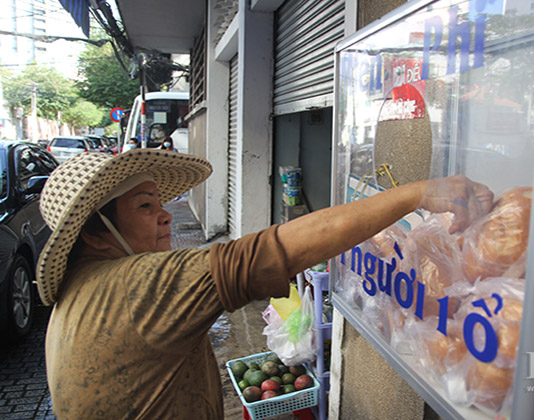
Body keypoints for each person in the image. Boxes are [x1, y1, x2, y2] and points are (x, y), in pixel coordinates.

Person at [36, 149, 493, 419]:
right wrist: (417, 193)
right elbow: (272, 252)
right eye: (143, 207)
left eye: (160, 202)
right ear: (95, 233)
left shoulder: (82, 290)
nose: (163, 215)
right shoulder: (133, 287)